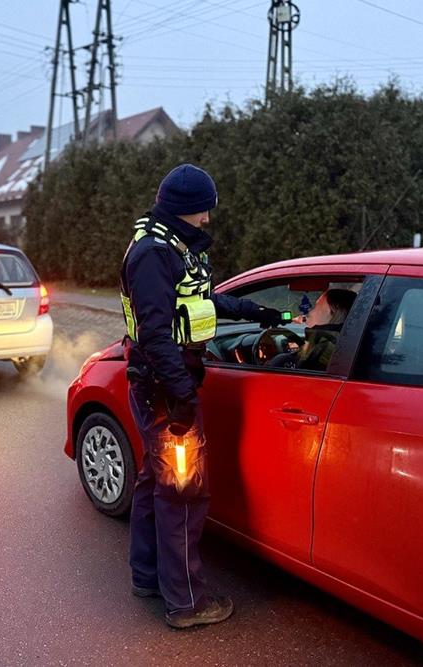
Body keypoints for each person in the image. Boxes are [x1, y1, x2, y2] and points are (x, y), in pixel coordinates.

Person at [120, 164, 284, 629]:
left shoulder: (170, 245)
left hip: (161, 385)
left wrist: (255, 311)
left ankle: (148, 577)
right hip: (163, 389)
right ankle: (188, 604)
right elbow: (154, 333)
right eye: (203, 211)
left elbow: (200, 301)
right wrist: (181, 397)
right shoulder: (154, 254)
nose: (208, 219)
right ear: (183, 210)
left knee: (157, 484)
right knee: (184, 493)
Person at [268, 288, 357, 371]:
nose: (310, 312)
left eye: (316, 306)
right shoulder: (343, 342)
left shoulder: (325, 349)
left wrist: (276, 362)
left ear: (333, 312)